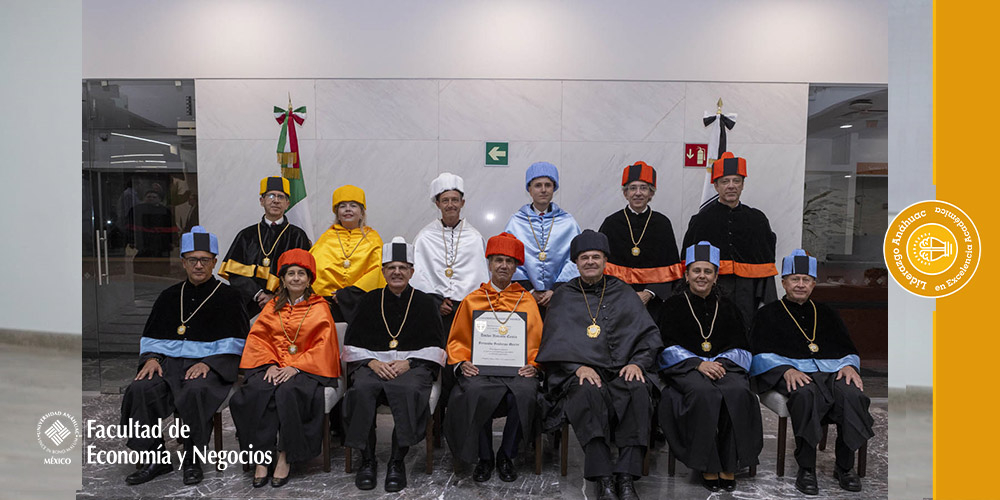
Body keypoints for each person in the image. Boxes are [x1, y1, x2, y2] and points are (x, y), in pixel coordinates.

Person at [536, 230, 661, 500]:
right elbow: (553, 343)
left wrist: (638, 363)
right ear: (576, 263)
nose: (590, 262)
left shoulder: (623, 291)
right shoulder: (564, 295)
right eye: (584, 258)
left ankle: (626, 478)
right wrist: (576, 368)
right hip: (579, 372)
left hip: (623, 369)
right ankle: (603, 478)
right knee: (586, 393)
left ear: (605, 260)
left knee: (638, 390)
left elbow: (648, 335)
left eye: (596, 257)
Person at [119, 226, 249, 486]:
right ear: (183, 263)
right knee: (141, 389)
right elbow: (152, 336)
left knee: (196, 391)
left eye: (204, 260)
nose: (198, 265)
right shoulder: (168, 296)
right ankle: (155, 458)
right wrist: (152, 358)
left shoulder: (230, 297)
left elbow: (240, 343)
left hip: (210, 367)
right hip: (167, 364)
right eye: (192, 260)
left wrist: (209, 363)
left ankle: (192, 458)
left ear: (214, 262)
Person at [750, 249, 874, 496]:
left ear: (814, 284)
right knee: (804, 393)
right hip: (790, 372)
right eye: (795, 279)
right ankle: (806, 468)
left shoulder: (827, 312)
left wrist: (849, 365)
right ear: (783, 282)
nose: (800, 284)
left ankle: (844, 466)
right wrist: (785, 369)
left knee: (853, 396)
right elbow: (759, 353)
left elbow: (846, 347)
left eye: (806, 280)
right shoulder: (767, 314)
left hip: (831, 372)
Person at [340, 237, 446, 492]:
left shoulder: (425, 303)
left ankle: (397, 461)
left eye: (402, 267)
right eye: (391, 267)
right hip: (373, 365)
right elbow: (353, 342)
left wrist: (408, 363)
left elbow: (436, 345)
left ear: (411, 271)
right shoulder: (368, 300)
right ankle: (367, 460)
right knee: (361, 390)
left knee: (407, 390)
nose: (397, 272)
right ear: (383, 271)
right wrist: (373, 362)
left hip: (412, 367)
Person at [656, 241, 763, 493]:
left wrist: (720, 363)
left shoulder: (729, 307)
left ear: (716, 276)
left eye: (707, 271)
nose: (701, 276)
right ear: (687, 274)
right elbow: (663, 346)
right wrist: (698, 364)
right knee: (705, 394)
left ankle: (729, 462)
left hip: (725, 366)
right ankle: (706, 463)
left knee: (737, 392)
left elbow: (743, 345)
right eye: (696, 271)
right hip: (686, 368)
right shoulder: (672, 305)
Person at [230, 248, 340, 488]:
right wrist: (268, 364)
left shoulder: (320, 307)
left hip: (308, 370)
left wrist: (297, 367)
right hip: (271, 365)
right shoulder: (271, 307)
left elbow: (324, 345)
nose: (296, 278)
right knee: (257, 392)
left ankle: (285, 456)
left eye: (302, 273)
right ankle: (261, 457)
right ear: (283, 278)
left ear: (310, 279)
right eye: (291, 273)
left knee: (288, 393)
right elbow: (259, 339)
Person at [444, 232, 543, 483]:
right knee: (474, 392)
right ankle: (485, 457)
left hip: (517, 371)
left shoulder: (527, 301)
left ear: (516, 266)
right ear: (489, 264)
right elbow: (457, 340)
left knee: (525, 393)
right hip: (480, 370)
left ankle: (506, 456)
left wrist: (534, 365)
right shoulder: (472, 300)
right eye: (498, 260)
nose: (503, 266)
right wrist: (462, 363)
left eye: (509, 261)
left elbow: (537, 341)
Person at [682, 152, 777, 327]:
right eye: (725, 182)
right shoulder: (701, 220)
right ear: (716, 186)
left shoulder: (758, 220)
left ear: (743, 185)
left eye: (736, 181)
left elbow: (766, 266)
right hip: (713, 289)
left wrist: (768, 305)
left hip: (748, 291)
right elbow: (687, 266)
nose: (731, 186)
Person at [599, 161, 683, 319]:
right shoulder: (611, 223)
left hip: (653, 303)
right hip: (618, 300)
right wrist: (627, 294)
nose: (638, 193)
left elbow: (670, 269)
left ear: (651, 193)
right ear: (625, 193)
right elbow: (601, 267)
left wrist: (649, 293)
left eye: (643, 188)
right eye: (632, 188)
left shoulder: (662, 224)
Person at [219, 177, 312, 316]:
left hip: (287, 306)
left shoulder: (297, 236)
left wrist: (275, 298)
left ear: (287, 203)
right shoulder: (246, 235)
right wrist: (259, 294)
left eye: (281, 197)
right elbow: (235, 275)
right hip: (249, 305)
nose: (275, 200)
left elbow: (303, 276)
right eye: (271, 195)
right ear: (262, 201)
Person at [409, 172, 489, 334]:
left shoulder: (474, 237)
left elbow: (480, 277)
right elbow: (417, 276)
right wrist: (434, 301)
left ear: (462, 203)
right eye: (445, 200)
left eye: (455, 200)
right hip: (433, 310)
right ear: (437, 204)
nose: (450, 205)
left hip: (466, 310)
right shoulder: (424, 237)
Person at [504, 161, 581, 311]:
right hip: (524, 296)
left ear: (554, 189)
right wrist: (530, 290)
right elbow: (509, 257)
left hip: (560, 297)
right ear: (530, 189)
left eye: (548, 185)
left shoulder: (568, 222)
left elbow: (574, 259)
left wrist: (557, 290)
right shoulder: (516, 222)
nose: (543, 190)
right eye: (538, 185)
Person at [310, 185, 386, 319]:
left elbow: (378, 270)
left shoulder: (373, 238)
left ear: (362, 212)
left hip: (361, 301)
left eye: (353, 205)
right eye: (343, 206)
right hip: (328, 303)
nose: (348, 209)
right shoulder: (327, 237)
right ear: (337, 213)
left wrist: (348, 294)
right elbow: (315, 266)